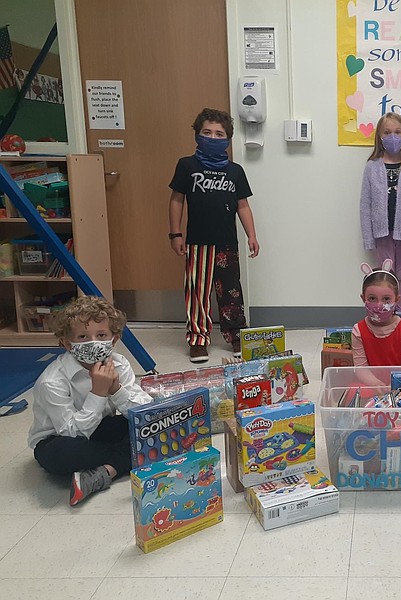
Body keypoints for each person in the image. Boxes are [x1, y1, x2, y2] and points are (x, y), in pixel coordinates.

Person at [27, 296, 153, 506]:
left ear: (113, 339)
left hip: (102, 429)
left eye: (101, 335)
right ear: (67, 343)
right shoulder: (52, 381)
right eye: (83, 336)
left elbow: (146, 412)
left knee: (149, 426)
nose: (93, 342)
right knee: (62, 454)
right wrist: (99, 393)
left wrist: (117, 390)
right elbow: (70, 433)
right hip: (59, 439)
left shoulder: (119, 364)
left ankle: (105, 472)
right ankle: (133, 456)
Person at [168, 107, 260, 363]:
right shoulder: (186, 166)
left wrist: (251, 235)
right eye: (207, 132)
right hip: (197, 243)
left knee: (231, 291)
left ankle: (235, 334)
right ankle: (198, 339)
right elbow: (177, 200)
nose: (213, 137)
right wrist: (175, 234)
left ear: (228, 140)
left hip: (227, 242)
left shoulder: (235, 171)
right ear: (197, 135)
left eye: (219, 134)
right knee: (198, 291)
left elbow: (243, 205)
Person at [360, 112, 401, 311]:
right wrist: (368, 237)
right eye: (387, 132)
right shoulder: (371, 166)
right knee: (385, 275)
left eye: (397, 132)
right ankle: (385, 313)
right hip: (381, 232)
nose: (392, 136)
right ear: (380, 137)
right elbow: (365, 204)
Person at [351, 260, 401, 367]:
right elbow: (361, 369)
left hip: (399, 383)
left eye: (386, 299)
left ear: (397, 299)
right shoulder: (358, 331)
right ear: (363, 298)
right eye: (372, 298)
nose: (379, 305)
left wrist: (393, 384)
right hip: (368, 383)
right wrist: (378, 384)